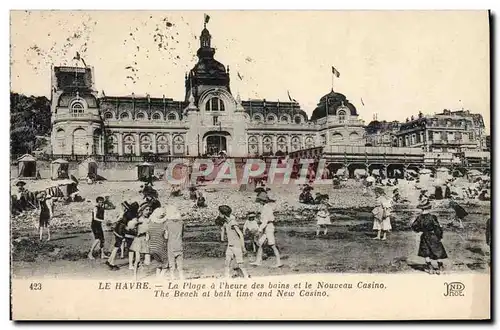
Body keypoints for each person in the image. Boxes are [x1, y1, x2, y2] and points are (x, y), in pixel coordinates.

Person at [411, 199, 448, 275]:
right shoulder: (432, 217)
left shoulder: (419, 217)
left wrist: (420, 230)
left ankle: (430, 268)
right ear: (429, 208)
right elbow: (437, 227)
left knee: (426, 252)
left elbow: (414, 226)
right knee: (437, 251)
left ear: (422, 209)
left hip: (424, 236)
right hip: (433, 236)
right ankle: (440, 268)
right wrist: (440, 236)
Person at [251, 195, 283, 268]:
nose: (259, 203)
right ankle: (258, 261)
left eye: (259, 201)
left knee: (272, 245)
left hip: (268, 227)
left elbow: (265, 221)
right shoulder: (267, 207)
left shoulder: (266, 208)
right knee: (260, 243)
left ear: (262, 201)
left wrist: (259, 229)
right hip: (267, 227)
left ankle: (279, 262)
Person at [106, 202, 139, 270]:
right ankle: (111, 263)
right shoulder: (133, 215)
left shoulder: (126, 212)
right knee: (119, 246)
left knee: (116, 246)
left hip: (118, 228)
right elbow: (131, 225)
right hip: (122, 230)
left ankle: (110, 260)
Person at [219, 205, 250, 278]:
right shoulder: (226, 223)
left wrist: (243, 247)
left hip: (236, 246)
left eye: (220, 213)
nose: (219, 215)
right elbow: (223, 234)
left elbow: (241, 235)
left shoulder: (233, 222)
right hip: (230, 246)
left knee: (240, 263)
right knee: (227, 262)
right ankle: (226, 276)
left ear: (223, 214)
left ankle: (246, 276)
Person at [147, 207, 169, 278]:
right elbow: (166, 237)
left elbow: (147, 238)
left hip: (151, 247)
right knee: (166, 264)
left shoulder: (150, 224)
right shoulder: (163, 225)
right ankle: (160, 278)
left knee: (159, 263)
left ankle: (157, 277)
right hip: (160, 246)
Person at [165, 204, 185, 280]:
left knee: (171, 262)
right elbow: (182, 234)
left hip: (171, 245)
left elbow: (166, 236)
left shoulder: (167, 223)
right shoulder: (181, 223)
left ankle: (172, 277)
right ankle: (181, 276)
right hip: (179, 244)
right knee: (180, 262)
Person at [130, 205, 152, 270]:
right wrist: (135, 225)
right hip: (138, 239)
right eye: (146, 210)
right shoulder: (138, 219)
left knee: (147, 261)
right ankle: (135, 270)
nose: (148, 211)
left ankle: (141, 267)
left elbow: (149, 229)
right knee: (138, 258)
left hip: (146, 239)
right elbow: (131, 227)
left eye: (149, 210)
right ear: (142, 211)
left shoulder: (149, 220)